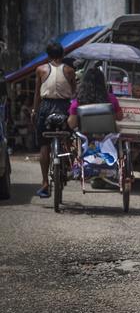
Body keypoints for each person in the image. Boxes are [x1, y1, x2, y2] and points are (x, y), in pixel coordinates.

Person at [32, 41, 76, 198]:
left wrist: (34, 111)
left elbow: (37, 94)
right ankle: (69, 164)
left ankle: (45, 182)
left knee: (44, 145)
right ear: (62, 55)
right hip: (64, 107)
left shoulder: (41, 69)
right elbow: (74, 93)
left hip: (45, 108)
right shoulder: (70, 70)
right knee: (69, 136)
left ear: (48, 56)